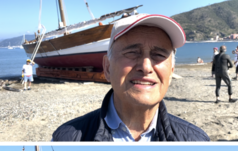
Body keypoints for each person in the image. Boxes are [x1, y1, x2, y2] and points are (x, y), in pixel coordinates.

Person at [52, 14, 209, 142]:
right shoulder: (67, 137)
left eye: (159, 55)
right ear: (107, 68)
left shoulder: (197, 140)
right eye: (132, 53)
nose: (146, 67)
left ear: (171, 72)